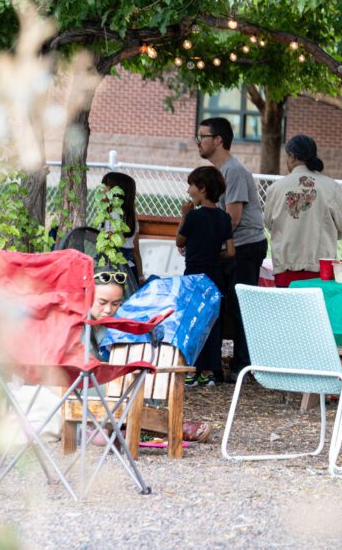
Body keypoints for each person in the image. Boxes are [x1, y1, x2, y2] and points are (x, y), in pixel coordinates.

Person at [86, 266, 212, 443]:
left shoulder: (117, 325)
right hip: (85, 386)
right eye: (102, 302)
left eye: (115, 304)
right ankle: (168, 427)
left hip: (116, 390)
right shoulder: (76, 325)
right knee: (127, 384)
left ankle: (145, 427)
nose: (108, 310)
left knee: (141, 379)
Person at [195, 117, 267, 382]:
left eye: (202, 136)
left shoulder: (233, 171)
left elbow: (233, 218)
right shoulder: (219, 171)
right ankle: (222, 365)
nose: (198, 142)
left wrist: (208, 243)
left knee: (240, 306)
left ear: (218, 140)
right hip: (230, 247)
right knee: (224, 307)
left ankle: (242, 367)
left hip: (245, 247)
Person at [264, 134, 342, 288]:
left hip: (285, 270)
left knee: (286, 304)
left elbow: (269, 224)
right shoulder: (330, 186)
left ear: (291, 156)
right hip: (321, 270)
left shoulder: (275, 188)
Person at [177, 165, 235, 386]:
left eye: (191, 185)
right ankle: (209, 371)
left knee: (193, 320)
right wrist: (214, 256)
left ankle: (192, 370)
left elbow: (179, 241)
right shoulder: (224, 217)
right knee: (212, 322)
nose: (188, 191)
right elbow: (231, 251)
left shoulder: (193, 216)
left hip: (194, 276)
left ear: (202, 188)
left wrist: (184, 216)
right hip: (215, 276)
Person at [100, 172, 144, 286]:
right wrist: (140, 276)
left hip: (114, 271)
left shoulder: (111, 216)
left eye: (105, 186)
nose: (101, 189)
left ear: (116, 192)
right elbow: (135, 251)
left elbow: (107, 245)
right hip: (130, 270)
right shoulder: (131, 218)